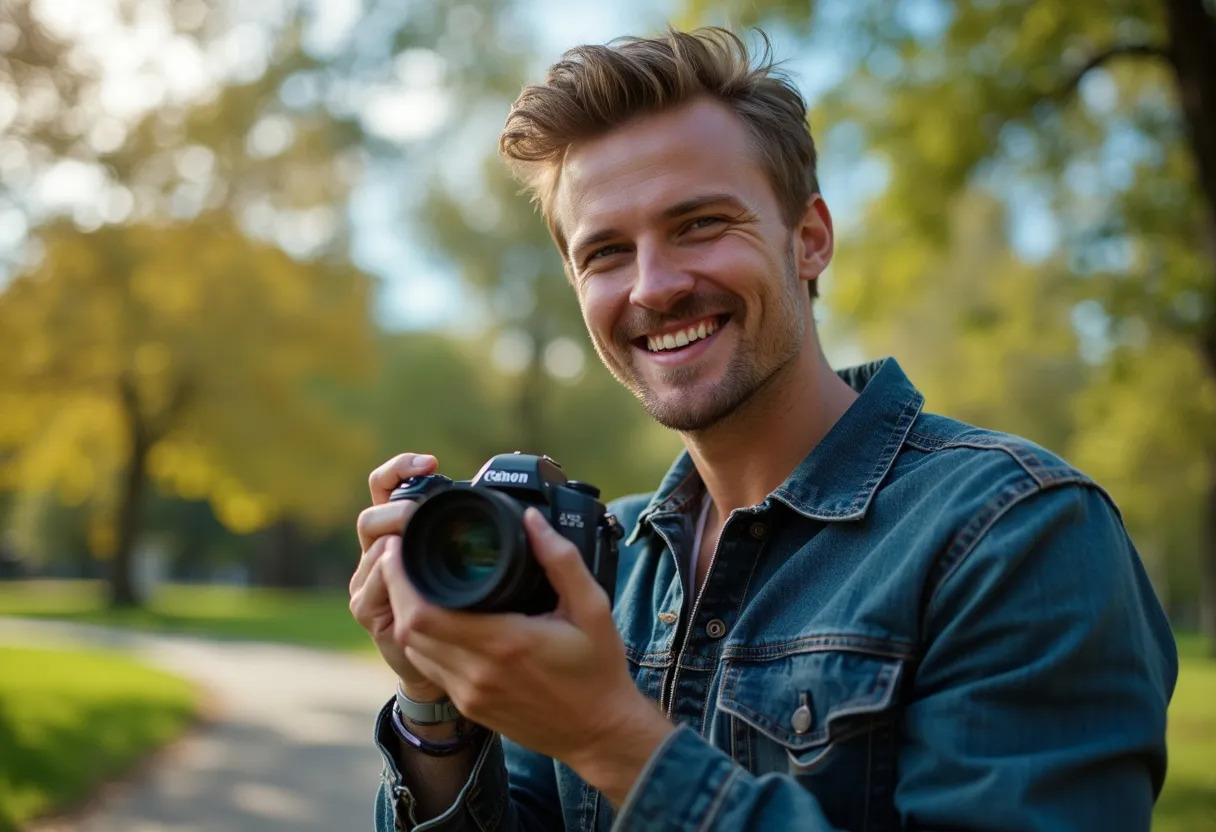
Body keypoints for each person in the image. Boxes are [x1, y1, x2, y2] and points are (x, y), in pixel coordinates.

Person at [348, 27, 1177, 831]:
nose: (654, 287)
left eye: (700, 224)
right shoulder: (599, 555)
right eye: (604, 253)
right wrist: (436, 710)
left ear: (809, 239)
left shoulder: (1016, 533)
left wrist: (611, 739)